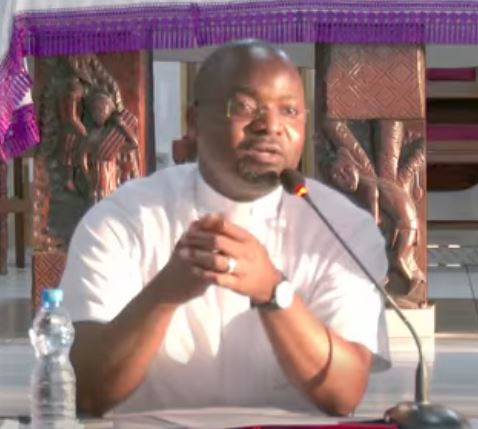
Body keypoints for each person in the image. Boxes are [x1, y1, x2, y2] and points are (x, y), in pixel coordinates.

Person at [60, 39, 390, 416]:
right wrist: (164, 294)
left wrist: (273, 291)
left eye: (289, 111)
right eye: (245, 107)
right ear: (194, 122)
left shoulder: (342, 227)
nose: (270, 126)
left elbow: (343, 393)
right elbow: (86, 393)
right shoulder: (122, 219)